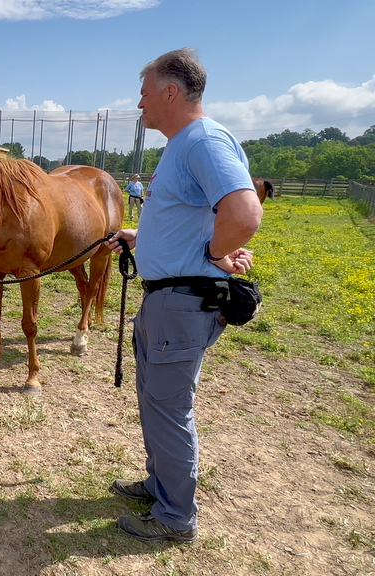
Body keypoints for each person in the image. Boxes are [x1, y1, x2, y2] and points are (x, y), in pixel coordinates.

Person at [105, 48, 263, 543]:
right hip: (166, 300)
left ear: (170, 91)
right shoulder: (184, 144)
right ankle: (161, 486)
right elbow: (190, 215)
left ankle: (176, 517)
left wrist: (216, 255)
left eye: (145, 93)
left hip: (181, 302)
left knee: (170, 406)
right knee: (155, 401)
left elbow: (244, 214)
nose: (139, 104)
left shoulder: (203, 141)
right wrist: (143, 238)